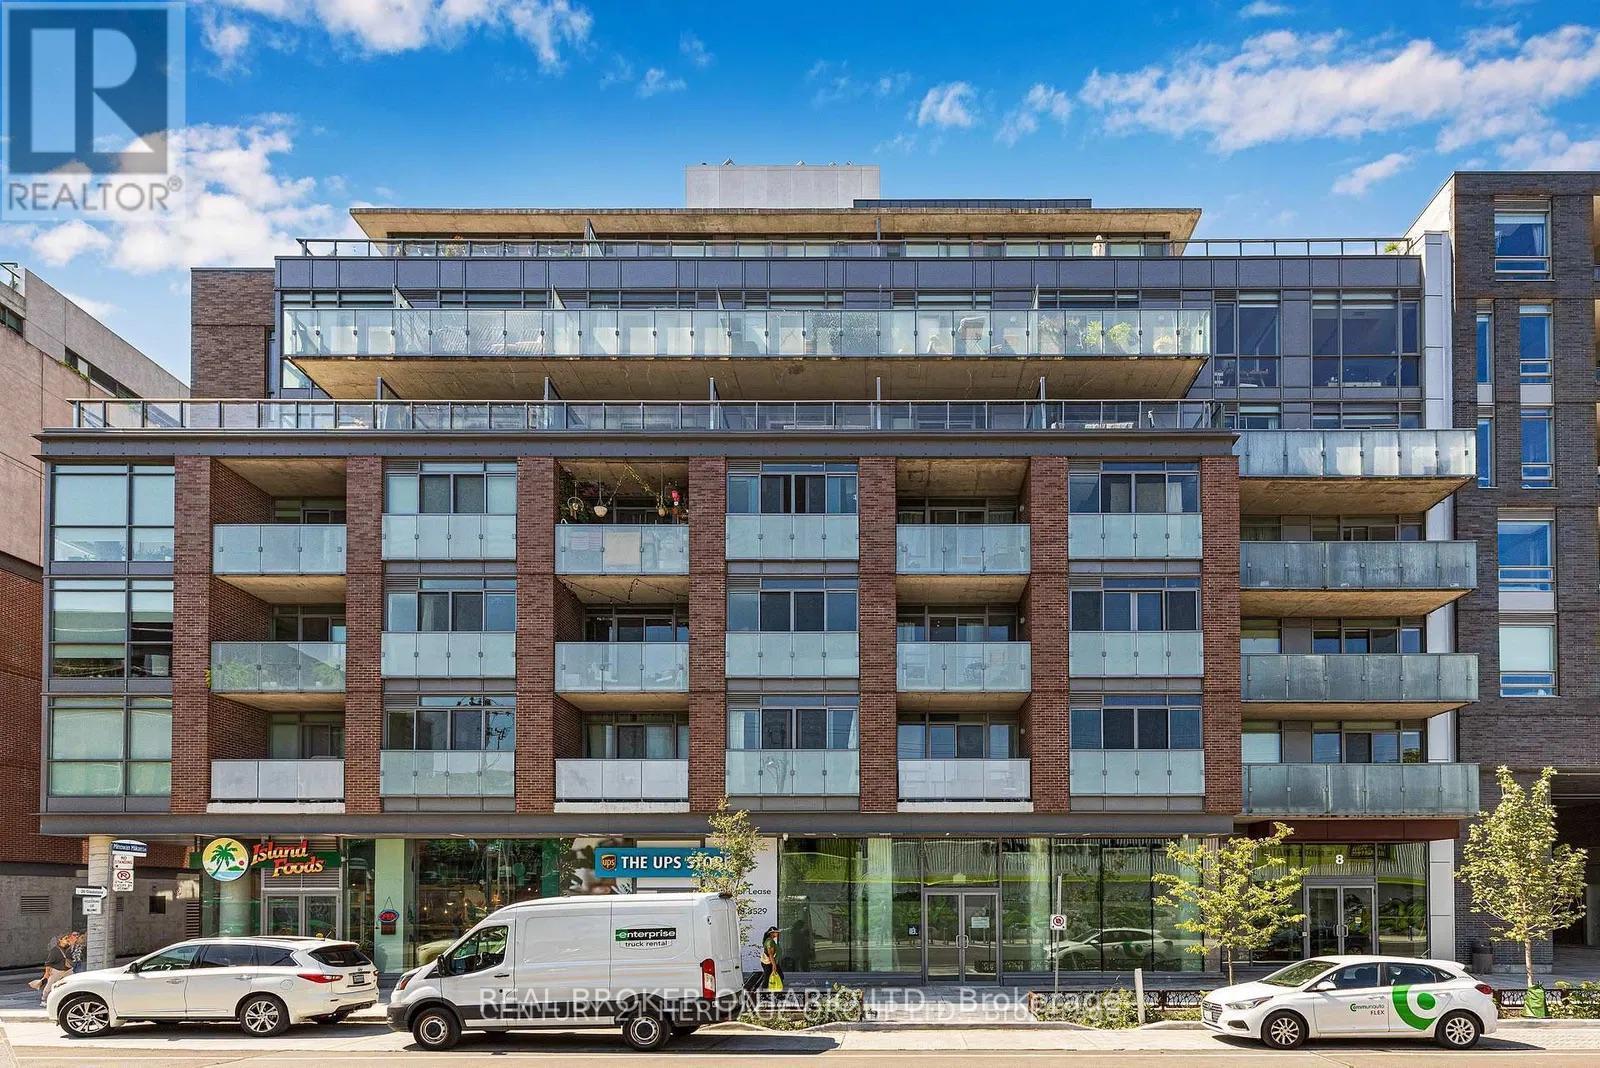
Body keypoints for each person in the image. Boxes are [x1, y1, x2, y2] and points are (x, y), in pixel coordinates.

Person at [31, 934, 75, 1005]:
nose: (67, 940)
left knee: (70, 983)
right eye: (65, 938)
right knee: (50, 985)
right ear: (60, 940)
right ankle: (44, 999)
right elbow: (48, 963)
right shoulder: (55, 950)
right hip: (57, 970)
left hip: (68, 970)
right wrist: (47, 973)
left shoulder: (69, 948)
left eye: (68, 938)